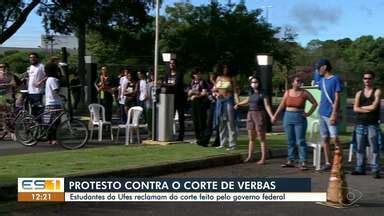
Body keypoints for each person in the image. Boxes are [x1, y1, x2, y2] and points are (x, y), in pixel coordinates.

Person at [273, 75, 318, 170]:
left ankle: (303, 161)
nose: (299, 82)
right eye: (297, 81)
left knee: (300, 141)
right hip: (288, 116)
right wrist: (275, 116)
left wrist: (308, 113)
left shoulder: (304, 93)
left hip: (299, 117)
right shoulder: (288, 92)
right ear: (293, 83)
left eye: (300, 81)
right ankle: (290, 160)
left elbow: (315, 103)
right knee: (290, 140)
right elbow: (281, 105)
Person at [235, 76, 274, 164]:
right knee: (251, 137)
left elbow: (267, 105)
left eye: (255, 82)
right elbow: (247, 100)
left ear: (259, 83)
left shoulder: (263, 93)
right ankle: (250, 156)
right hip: (250, 114)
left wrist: (272, 116)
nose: (254, 84)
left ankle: (263, 158)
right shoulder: (251, 92)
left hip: (259, 114)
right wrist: (238, 104)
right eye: (252, 82)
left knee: (261, 137)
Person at [314, 59, 344, 171]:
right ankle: (328, 162)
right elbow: (316, 79)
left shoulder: (335, 79)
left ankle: (339, 162)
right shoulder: (321, 80)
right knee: (325, 138)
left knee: (335, 138)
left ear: (325, 67)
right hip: (321, 112)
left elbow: (337, 98)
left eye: (319, 67)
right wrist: (316, 71)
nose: (317, 70)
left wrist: (334, 113)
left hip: (330, 113)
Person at [351, 71, 381, 179]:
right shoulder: (359, 93)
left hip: (372, 124)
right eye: (365, 78)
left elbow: (374, 107)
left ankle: (375, 169)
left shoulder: (377, 91)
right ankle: (360, 168)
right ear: (363, 80)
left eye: (369, 78)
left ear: (373, 79)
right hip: (360, 123)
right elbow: (355, 108)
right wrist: (366, 108)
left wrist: (361, 108)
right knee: (359, 147)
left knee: (374, 147)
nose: (367, 80)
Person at [213, 64, 239, 150]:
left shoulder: (232, 78)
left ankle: (232, 144)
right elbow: (214, 90)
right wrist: (216, 94)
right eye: (224, 68)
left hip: (229, 100)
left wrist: (237, 102)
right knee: (221, 122)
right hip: (220, 101)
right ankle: (222, 143)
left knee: (230, 122)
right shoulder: (218, 78)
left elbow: (235, 91)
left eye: (227, 67)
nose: (225, 69)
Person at [163, 59, 185, 141]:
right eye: (170, 63)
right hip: (170, 98)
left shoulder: (179, 74)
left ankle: (181, 136)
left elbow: (176, 84)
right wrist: (169, 85)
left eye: (173, 63)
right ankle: (169, 134)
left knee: (181, 118)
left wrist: (169, 85)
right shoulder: (167, 74)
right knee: (170, 117)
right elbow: (164, 83)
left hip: (179, 98)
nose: (171, 65)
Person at [188, 68, 208, 146]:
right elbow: (189, 93)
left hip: (201, 103)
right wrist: (191, 93)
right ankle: (197, 138)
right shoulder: (192, 82)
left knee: (201, 121)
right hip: (193, 103)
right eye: (197, 74)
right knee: (195, 121)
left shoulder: (202, 82)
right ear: (193, 75)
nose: (198, 75)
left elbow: (204, 93)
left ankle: (202, 138)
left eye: (199, 74)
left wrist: (195, 94)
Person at [43, 63, 62, 145]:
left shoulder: (48, 79)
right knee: (55, 122)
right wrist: (62, 95)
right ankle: (53, 138)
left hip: (49, 102)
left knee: (49, 122)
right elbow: (56, 90)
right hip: (54, 103)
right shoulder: (53, 79)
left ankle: (50, 138)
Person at [27, 52, 46, 118]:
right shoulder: (30, 67)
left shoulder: (41, 66)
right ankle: (35, 125)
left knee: (38, 110)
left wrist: (40, 82)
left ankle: (40, 125)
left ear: (37, 58)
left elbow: (47, 75)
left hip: (38, 91)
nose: (32, 59)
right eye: (30, 57)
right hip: (30, 91)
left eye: (34, 57)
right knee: (32, 109)